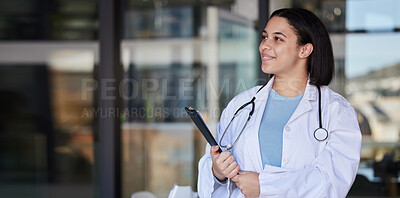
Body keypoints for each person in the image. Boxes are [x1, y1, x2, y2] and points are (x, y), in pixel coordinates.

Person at [197, 8, 362, 198]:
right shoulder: (241, 104)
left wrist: (264, 186)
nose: (264, 46)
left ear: (304, 50)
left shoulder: (336, 110)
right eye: (264, 37)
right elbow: (209, 170)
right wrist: (218, 172)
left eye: (277, 39)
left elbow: (332, 182)